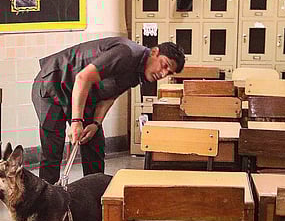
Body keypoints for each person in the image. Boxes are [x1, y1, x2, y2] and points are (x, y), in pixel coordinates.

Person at [32, 38, 185, 183]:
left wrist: (96, 124)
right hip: (53, 84)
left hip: (81, 94)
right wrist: (77, 121)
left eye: (169, 73)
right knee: (53, 149)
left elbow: (109, 98)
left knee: (94, 142)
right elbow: (83, 78)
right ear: (154, 52)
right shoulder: (127, 53)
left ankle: (95, 195)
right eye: (165, 65)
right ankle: (47, 202)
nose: (164, 74)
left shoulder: (139, 73)